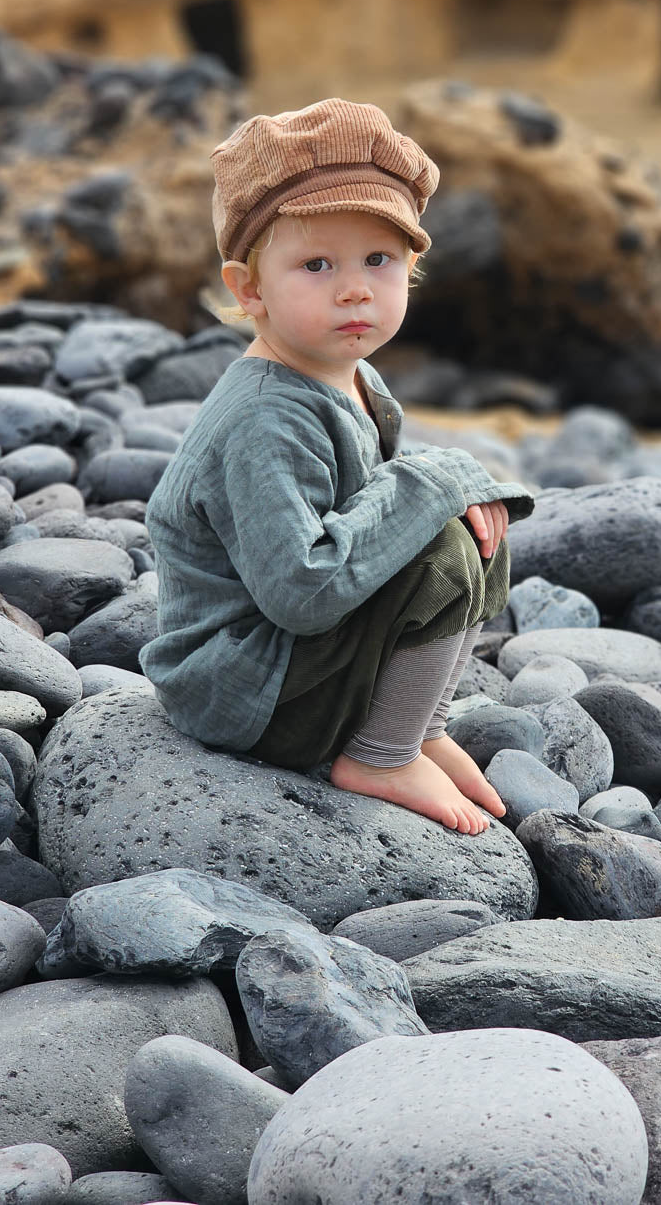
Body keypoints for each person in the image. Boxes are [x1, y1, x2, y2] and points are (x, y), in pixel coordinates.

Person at [141, 97, 534, 834]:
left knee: (475, 524)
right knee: (442, 543)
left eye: (377, 261)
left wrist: (453, 489)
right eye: (317, 264)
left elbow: (371, 505)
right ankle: (379, 754)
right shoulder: (266, 417)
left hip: (292, 661)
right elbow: (301, 591)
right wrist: (436, 485)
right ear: (248, 288)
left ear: (411, 269)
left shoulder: (349, 375)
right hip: (242, 684)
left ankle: (417, 724)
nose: (354, 288)